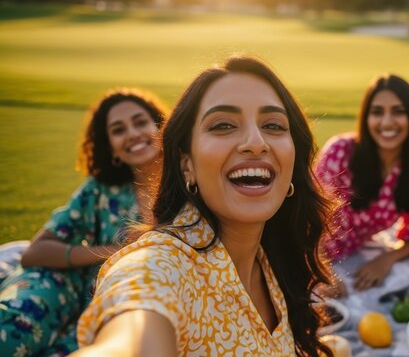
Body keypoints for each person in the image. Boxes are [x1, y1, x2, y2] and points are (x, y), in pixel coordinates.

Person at [73, 56, 334, 356]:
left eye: (274, 125)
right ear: (187, 165)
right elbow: (135, 327)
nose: (255, 141)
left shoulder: (269, 259)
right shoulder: (161, 265)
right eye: (223, 125)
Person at [0, 88, 168, 356]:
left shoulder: (190, 181)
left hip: (125, 309)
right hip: (66, 285)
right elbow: (34, 253)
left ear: (161, 125)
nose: (133, 133)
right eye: (118, 129)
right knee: (9, 334)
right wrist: (111, 252)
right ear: (111, 146)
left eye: (140, 122)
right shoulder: (100, 190)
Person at [315, 74, 409, 292]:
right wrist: (318, 270)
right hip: (307, 252)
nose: (387, 122)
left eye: (398, 111)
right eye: (377, 112)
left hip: (351, 256)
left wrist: (387, 259)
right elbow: (308, 217)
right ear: (365, 117)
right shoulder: (340, 152)